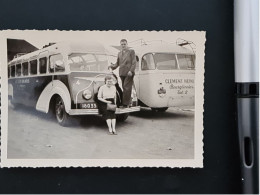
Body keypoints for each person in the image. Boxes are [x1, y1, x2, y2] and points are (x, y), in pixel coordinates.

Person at [109, 39, 136, 108]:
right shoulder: (119, 53)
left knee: (127, 87)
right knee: (124, 87)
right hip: (122, 73)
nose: (123, 45)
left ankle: (125, 104)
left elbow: (134, 62)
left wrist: (131, 71)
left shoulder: (131, 51)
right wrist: (111, 67)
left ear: (127, 44)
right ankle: (128, 102)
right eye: (122, 44)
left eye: (124, 44)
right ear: (120, 45)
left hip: (129, 73)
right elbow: (117, 63)